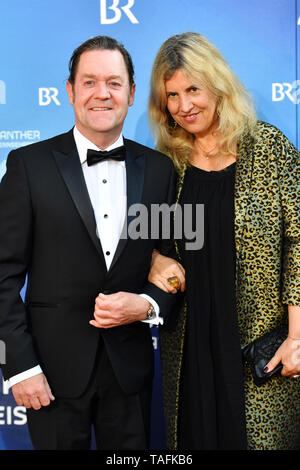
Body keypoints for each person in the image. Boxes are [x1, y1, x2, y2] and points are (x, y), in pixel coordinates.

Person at [0, 35, 177, 450]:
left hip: (130, 372)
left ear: (132, 93)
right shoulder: (28, 165)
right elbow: (2, 275)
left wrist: (149, 304)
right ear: (70, 91)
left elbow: (175, 259)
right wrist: (20, 367)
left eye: (114, 83)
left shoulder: (159, 169)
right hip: (49, 374)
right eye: (90, 82)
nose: (102, 94)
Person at [147, 32, 300, 450]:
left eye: (192, 89)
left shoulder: (269, 149)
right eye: (172, 95)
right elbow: (147, 239)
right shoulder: (168, 165)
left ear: (217, 85)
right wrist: (153, 259)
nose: (184, 105)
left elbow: (298, 241)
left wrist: (297, 337)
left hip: (260, 348)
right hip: (191, 347)